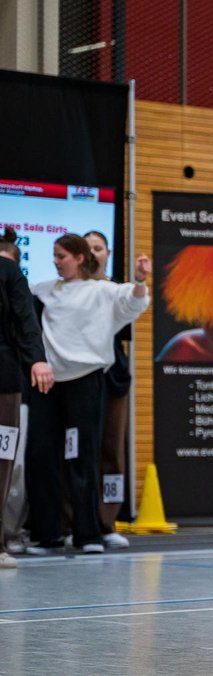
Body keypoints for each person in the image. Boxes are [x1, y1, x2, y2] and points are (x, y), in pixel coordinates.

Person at [26, 234, 150, 555]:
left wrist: (139, 280)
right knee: (42, 454)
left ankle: (88, 534)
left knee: (83, 456)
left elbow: (133, 301)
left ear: (80, 259)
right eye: (54, 255)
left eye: (62, 256)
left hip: (85, 380)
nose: (56, 261)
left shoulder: (101, 291)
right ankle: (48, 534)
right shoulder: (46, 290)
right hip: (49, 383)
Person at [0, 229, 53, 567]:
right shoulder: (10, 270)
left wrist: (37, 358)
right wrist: (37, 358)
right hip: (5, 381)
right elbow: (26, 319)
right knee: (3, 460)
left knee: (4, 459)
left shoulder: (8, 271)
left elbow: (25, 318)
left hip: (5, 380)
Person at [83, 230, 132, 550]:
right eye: (87, 248)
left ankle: (107, 521)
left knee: (111, 451)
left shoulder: (117, 292)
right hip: (79, 380)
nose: (93, 253)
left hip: (113, 380)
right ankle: (76, 522)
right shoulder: (69, 291)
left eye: (98, 248)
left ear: (108, 254)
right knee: (78, 452)